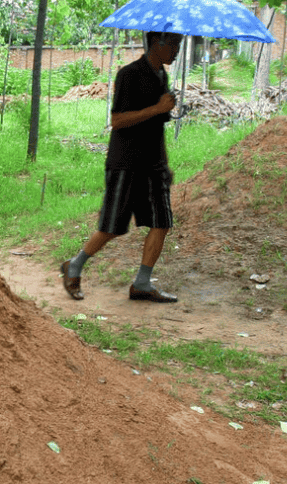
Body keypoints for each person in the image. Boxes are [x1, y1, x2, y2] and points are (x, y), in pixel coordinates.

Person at [62, 31, 182, 303]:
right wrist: (156, 108)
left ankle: (142, 282)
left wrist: (165, 163)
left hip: (154, 165)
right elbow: (117, 120)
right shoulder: (129, 74)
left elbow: (158, 126)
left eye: (179, 45)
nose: (176, 51)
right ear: (157, 42)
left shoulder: (161, 76)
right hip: (125, 163)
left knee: (161, 222)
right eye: (174, 44)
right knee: (112, 226)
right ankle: (74, 265)